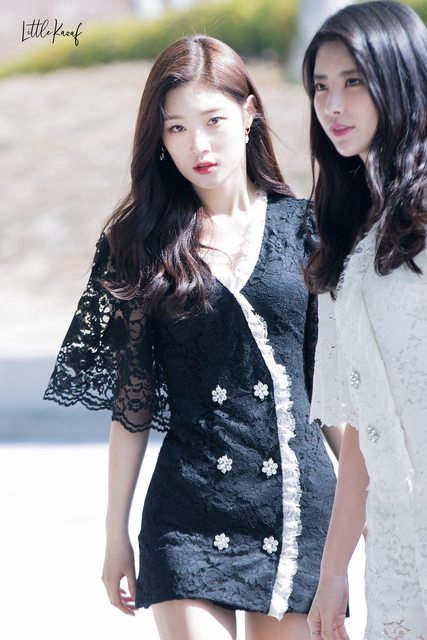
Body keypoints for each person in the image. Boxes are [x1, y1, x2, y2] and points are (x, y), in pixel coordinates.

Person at [44, 35, 341, 640]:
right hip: (187, 512)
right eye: (176, 128)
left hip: (296, 503)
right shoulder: (136, 244)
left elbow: (332, 383)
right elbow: (132, 404)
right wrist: (114, 532)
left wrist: (372, 498)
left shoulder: (307, 227)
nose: (197, 145)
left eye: (212, 121)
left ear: (249, 114)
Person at [301, 2, 427, 639]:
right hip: (399, 548)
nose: (333, 105)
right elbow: (363, 428)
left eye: (353, 81)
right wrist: (332, 573)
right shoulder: (348, 237)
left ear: (398, 78)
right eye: (321, 86)